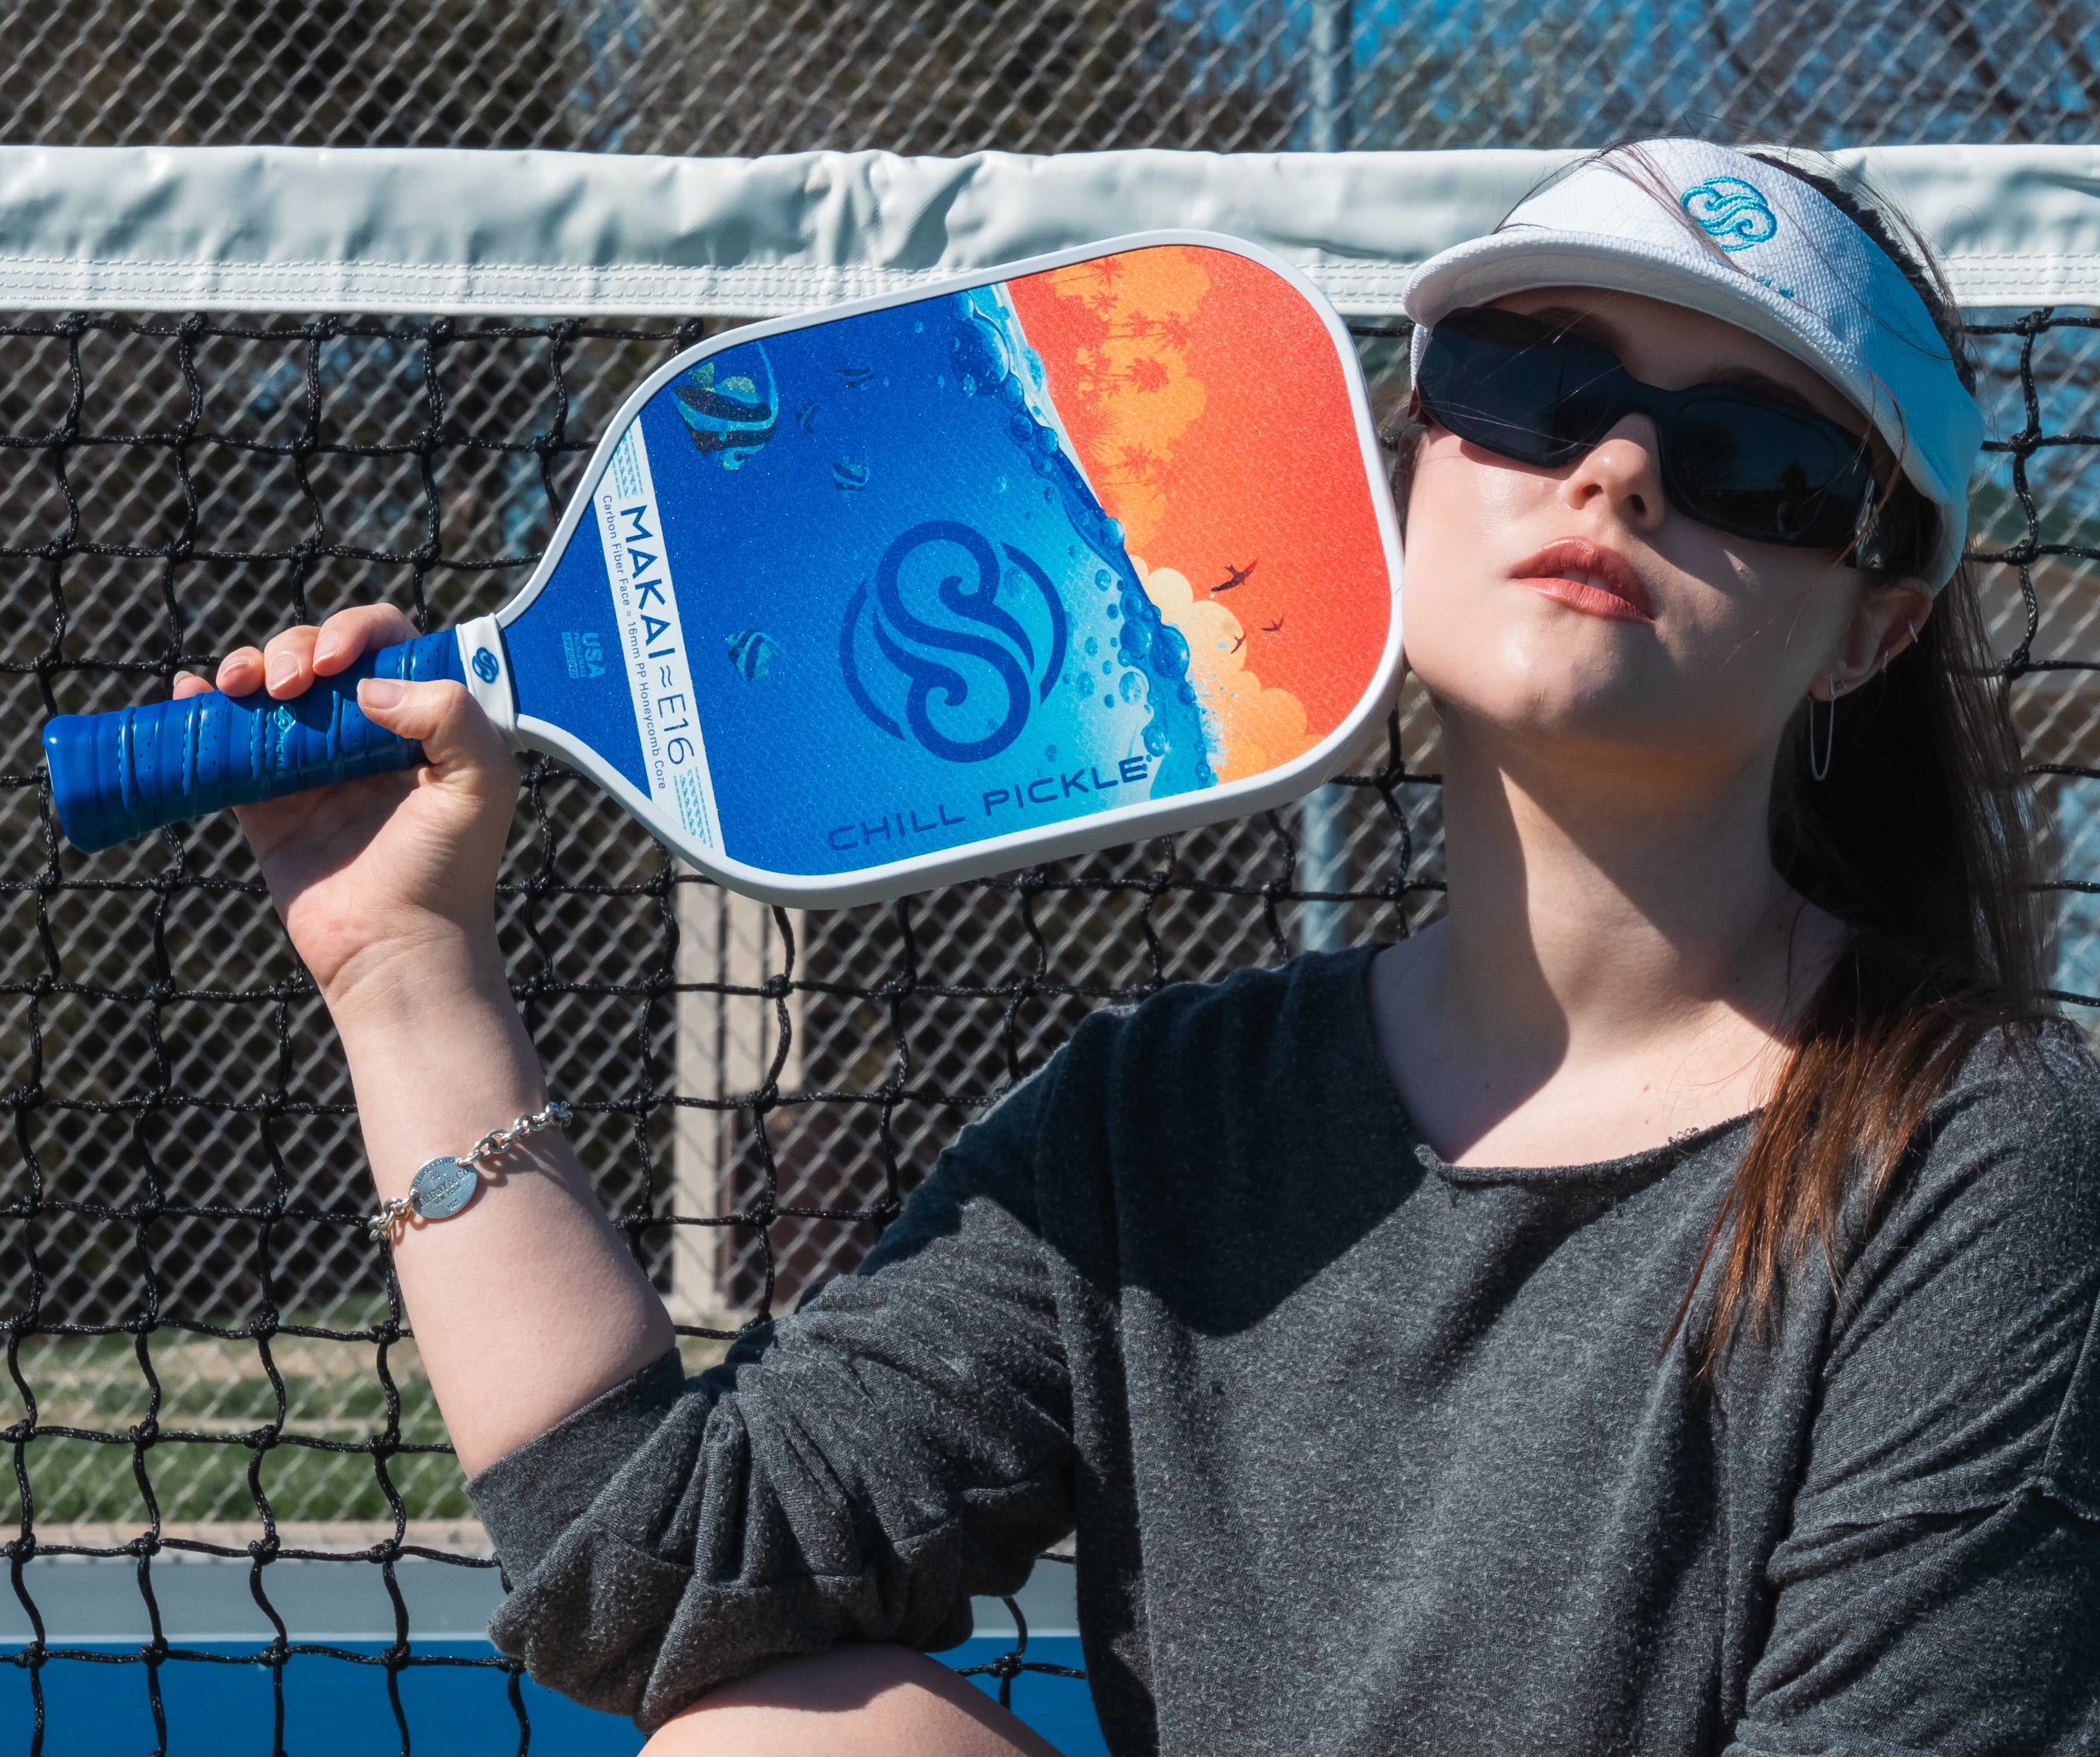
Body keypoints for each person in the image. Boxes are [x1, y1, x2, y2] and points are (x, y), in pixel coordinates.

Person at [182, 139, 2100, 1756]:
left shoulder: (1978, 1153)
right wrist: (405, 970)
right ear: (1416, 452)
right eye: (1534, 380)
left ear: (1877, 622)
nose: (1614, 471)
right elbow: (645, 1571)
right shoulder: (1161, 1118)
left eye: (1755, 457)